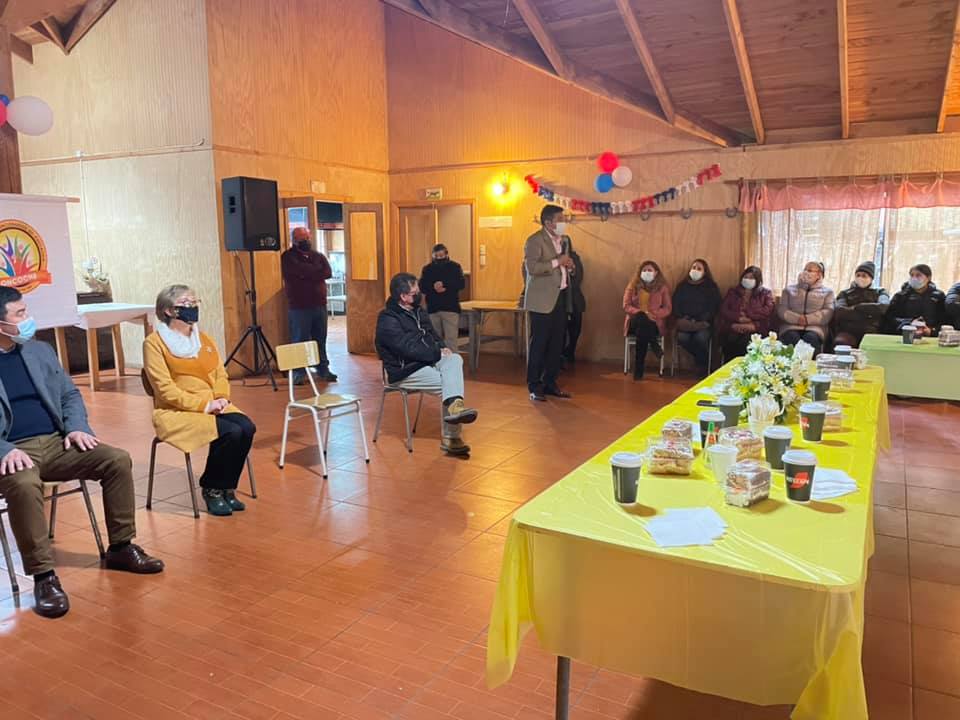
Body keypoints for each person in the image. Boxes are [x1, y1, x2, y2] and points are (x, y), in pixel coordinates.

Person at [0, 287, 163, 619]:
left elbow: (69, 395)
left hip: (58, 442)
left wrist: (77, 428)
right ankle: (44, 576)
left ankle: (120, 546)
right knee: (24, 484)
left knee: (115, 459)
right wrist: (4, 449)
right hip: (10, 452)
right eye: (19, 315)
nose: (28, 319)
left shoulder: (40, 351)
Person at [143, 285, 257, 516]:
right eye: (186, 303)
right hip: (176, 410)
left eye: (195, 302)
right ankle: (212, 488)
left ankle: (227, 486)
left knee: (246, 427)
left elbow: (220, 374)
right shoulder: (154, 344)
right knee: (230, 432)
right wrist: (203, 406)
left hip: (213, 403)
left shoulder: (203, 339)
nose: (193, 307)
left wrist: (221, 397)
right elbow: (164, 390)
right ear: (168, 311)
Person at [375, 273, 478, 456]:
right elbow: (407, 349)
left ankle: (455, 408)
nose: (419, 295)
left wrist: (443, 347)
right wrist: (436, 353)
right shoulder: (387, 319)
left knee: (455, 359)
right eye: (415, 293)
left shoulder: (418, 311)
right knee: (450, 384)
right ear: (403, 297)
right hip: (405, 371)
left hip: (427, 361)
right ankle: (452, 438)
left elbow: (432, 334)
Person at [524, 205, 574, 401]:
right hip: (541, 301)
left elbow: (563, 264)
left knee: (556, 344)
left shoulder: (564, 240)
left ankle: (550, 383)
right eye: (560, 219)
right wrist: (557, 262)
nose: (564, 222)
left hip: (559, 297)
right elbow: (532, 267)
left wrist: (569, 266)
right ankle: (534, 385)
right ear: (548, 222)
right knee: (540, 343)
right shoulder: (535, 240)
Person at [281, 226, 337, 384]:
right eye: (301, 239)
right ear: (294, 240)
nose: (306, 241)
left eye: (307, 237)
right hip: (299, 306)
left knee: (320, 338)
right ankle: (299, 373)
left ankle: (323, 369)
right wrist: (313, 272)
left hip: (319, 305)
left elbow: (327, 272)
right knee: (300, 339)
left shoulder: (318, 255)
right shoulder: (287, 257)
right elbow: (299, 270)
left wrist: (307, 273)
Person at [623, 261, 671, 380]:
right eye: (644, 270)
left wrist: (653, 314)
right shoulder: (633, 286)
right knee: (642, 318)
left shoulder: (662, 288)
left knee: (643, 330)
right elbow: (626, 305)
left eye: (650, 270)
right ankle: (654, 345)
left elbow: (667, 308)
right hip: (635, 320)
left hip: (654, 323)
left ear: (656, 273)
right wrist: (642, 313)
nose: (646, 273)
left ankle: (638, 370)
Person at [672, 258, 721, 375]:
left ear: (705, 272)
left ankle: (701, 365)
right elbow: (675, 304)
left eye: (699, 269)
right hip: (685, 322)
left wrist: (701, 319)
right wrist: (683, 317)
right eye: (693, 268)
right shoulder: (682, 286)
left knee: (700, 338)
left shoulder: (711, 287)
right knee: (682, 338)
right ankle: (701, 362)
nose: (695, 270)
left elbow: (714, 306)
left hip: (703, 323)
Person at [717, 266, 775, 360]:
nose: (748, 280)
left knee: (746, 342)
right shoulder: (733, 291)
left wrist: (749, 318)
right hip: (733, 326)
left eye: (751, 278)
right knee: (730, 341)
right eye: (746, 277)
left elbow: (767, 311)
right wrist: (738, 319)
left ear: (758, 279)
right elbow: (724, 310)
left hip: (756, 328)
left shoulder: (765, 293)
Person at [777, 261, 835, 354]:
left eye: (810, 270)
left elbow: (828, 312)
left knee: (810, 339)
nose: (806, 272)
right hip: (791, 326)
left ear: (819, 275)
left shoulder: (828, 292)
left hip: (815, 328)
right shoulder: (788, 290)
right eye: (805, 270)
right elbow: (782, 309)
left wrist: (808, 319)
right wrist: (797, 318)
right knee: (791, 338)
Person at [419, 243, 466, 351]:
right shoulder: (427, 269)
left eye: (441, 256)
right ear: (433, 256)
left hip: (450, 308)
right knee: (434, 341)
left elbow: (461, 284)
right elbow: (422, 286)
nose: (439, 258)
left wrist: (444, 284)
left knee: (451, 341)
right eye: (437, 256)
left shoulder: (455, 267)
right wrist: (433, 286)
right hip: (432, 308)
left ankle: (452, 365)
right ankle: (436, 365)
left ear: (447, 254)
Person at [832, 261, 890, 347]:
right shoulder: (845, 293)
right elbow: (840, 310)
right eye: (858, 275)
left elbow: (884, 307)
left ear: (871, 278)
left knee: (873, 346)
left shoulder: (880, 292)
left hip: (871, 331)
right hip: (849, 330)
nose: (860, 278)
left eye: (864, 275)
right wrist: (868, 314)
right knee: (841, 343)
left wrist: (858, 307)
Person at [882, 264, 946, 337]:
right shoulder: (901, 296)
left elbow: (944, 320)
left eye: (918, 275)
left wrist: (931, 331)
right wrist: (909, 322)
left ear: (928, 278)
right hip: (905, 335)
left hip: (930, 336)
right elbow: (890, 317)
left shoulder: (938, 296)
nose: (914, 278)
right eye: (912, 275)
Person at [563, 244, 586, 366]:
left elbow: (579, 277)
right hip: (558, 302)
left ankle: (570, 352)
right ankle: (560, 356)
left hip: (575, 300)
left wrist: (572, 268)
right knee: (560, 332)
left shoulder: (574, 257)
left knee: (575, 330)